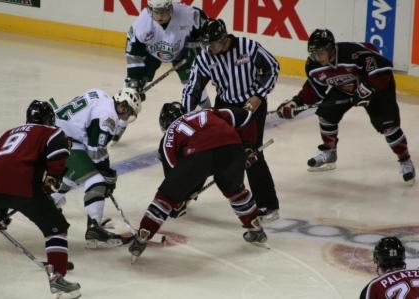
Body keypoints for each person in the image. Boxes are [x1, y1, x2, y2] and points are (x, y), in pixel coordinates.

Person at [128, 102, 268, 261]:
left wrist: (179, 200)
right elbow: (247, 116)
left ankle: (143, 235)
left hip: (197, 156)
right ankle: (256, 228)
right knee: (235, 190)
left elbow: (175, 177)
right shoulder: (209, 112)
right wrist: (247, 148)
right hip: (232, 148)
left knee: (166, 196)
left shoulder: (168, 136)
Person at [276, 29, 416, 185]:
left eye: (320, 53)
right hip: (344, 87)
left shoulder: (353, 54)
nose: (317, 57)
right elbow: (314, 90)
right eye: (313, 53)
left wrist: (366, 91)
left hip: (375, 86)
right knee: (326, 115)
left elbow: (383, 70)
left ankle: (405, 160)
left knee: (389, 127)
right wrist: (296, 103)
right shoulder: (313, 65)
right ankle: (329, 152)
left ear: (330, 49)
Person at [0, 100, 81, 298]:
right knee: (56, 227)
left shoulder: (9, 132)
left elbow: (2, 163)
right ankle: (57, 277)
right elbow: (56, 163)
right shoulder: (52, 132)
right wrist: (52, 181)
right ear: (49, 119)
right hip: (24, 187)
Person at [181, 18, 281, 221]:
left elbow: (272, 67)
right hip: (225, 105)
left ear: (224, 38)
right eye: (206, 44)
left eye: (212, 44)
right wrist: (187, 116)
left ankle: (268, 205)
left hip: (252, 106)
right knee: (208, 150)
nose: (208, 48)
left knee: (250, 153)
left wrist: (259, 95)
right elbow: (192, 88)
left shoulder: (248, 47)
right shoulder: (205, 57)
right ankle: (184, 193)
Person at [50, 88, 141, 248]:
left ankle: (51, 200)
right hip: (61, 139)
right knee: (97, 181)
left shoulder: (100, 95)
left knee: (81, 171)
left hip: (58, 132)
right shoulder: (108, 117)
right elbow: (95, 149)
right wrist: (107, 174)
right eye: (129, 113)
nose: (126, 117)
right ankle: (94, 229)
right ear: (123, 106)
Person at [115, 0, 210, 144]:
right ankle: (119, 125)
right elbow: (133, 53)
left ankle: (211, 115)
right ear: (149, 9)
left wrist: (196, 44)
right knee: (130, 90)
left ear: (171, 7)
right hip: (151, 56)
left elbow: (206, 27)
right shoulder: (141, 25)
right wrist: (134, 79)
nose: (160, 16)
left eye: (164, 11)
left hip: (183, 53)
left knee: (196, 87)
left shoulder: (186, 14)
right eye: (156, 12)